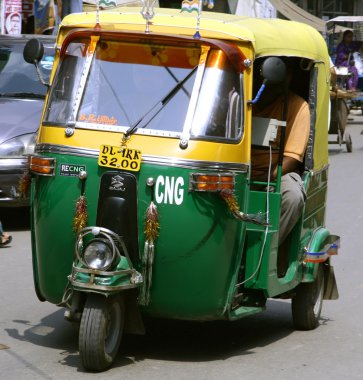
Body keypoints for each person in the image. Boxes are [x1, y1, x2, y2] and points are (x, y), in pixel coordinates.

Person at [251, 60, 310, 247]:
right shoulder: (235, 97)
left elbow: (291, 159)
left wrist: (264, 177)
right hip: (234, 171)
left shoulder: (297, 106)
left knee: (292, 196)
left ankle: (268, 250)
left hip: (272, 174)